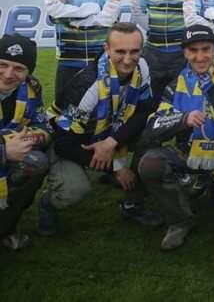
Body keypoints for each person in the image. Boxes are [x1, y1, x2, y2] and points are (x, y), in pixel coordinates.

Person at [138, 24, 214, 250]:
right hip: (190, 151)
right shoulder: (176, 84)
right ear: (184, 53)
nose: (200, 57)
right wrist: (183, 119)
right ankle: (180, 221)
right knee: (151, 164)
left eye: (205, 49)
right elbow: (153, 126)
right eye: (193, 50)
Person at [38, 23, 160, 236]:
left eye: (134, 51)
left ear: (142, 50)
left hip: (108, 133)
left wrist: (111, 143)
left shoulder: (142, 66)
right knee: (74, 191)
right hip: (72, 140)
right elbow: (64, 143)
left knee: (152, 133)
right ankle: (47, 203)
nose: (128, 59)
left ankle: (132, 203)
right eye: (120, 51)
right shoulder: (87, 85)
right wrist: (115, 167)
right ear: (106, 49)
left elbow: (144, 110)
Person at [0, 35, 51, 250]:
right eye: (2, 65)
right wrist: (4, 150)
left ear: (28, 72)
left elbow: (44, 128)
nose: (8, 74)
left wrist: (26, 139)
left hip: (11, 154)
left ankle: (5, 228)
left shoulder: (31, 89)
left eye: (18, 68)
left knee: (35, 163)